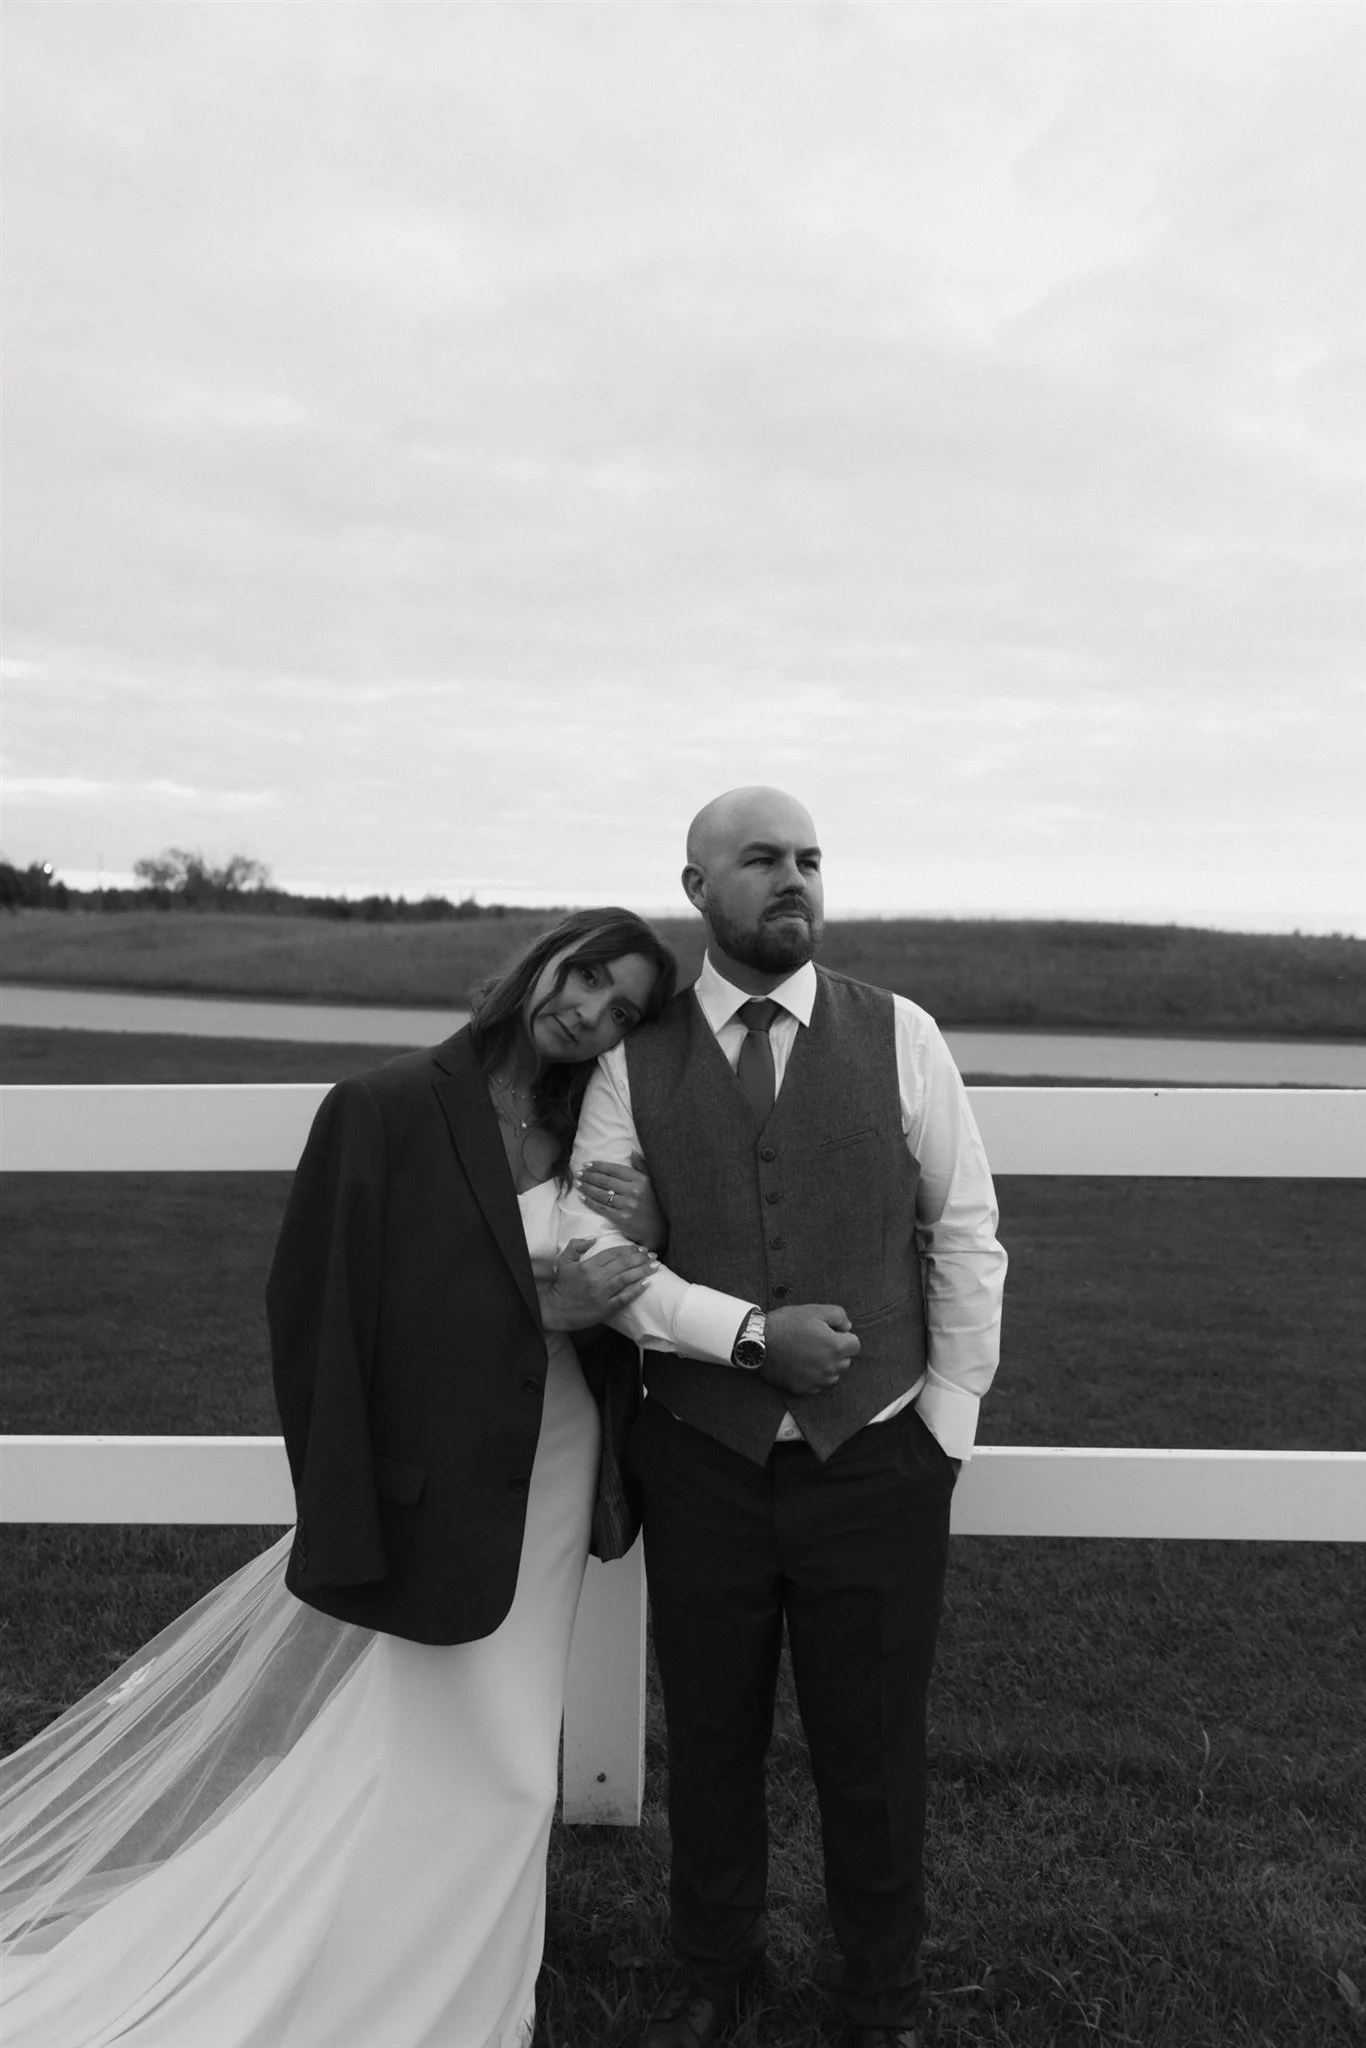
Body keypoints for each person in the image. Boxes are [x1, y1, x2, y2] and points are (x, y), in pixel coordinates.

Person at [0, 907, 676, 2048]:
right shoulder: (386, 1105)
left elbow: (635, 1294)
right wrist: (349, 1498)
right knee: (461, 1752)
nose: (590, 1011)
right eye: (587, 975)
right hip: (434, 1476)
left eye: (623, 1011)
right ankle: (380, 1994)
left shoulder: (593, 1134)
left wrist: (641, 1232)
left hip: (557, 1469)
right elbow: (321, 1316)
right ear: (544, 958)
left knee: (499, 1755)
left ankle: (473, 1996)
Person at [561, 789, 1007, 2048]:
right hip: (701, 1455)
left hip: (880, 1456)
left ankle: (880, 1994)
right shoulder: (626, 1064)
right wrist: (748, 1338)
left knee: (872, 1746)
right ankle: (712, 1969)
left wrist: (947, 1422)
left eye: (809, 858)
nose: (794, 879)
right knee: (709, 1732)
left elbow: (964, 1231)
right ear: (699, 887)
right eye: (761, 860)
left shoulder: (901, 1032)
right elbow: (604, 1261)